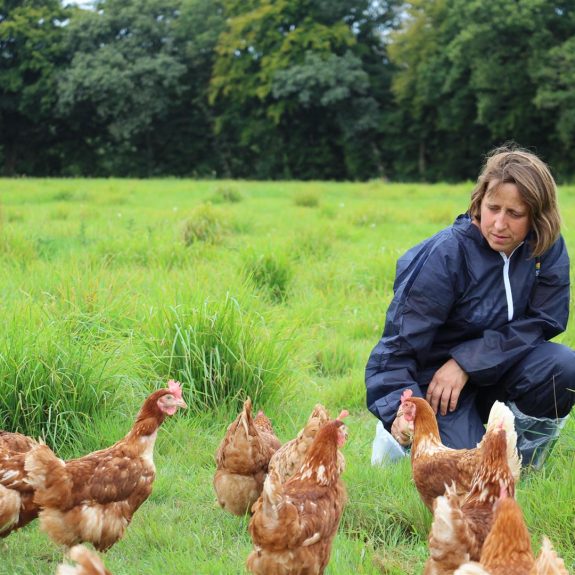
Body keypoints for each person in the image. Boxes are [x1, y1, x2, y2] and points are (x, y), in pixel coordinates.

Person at [366, 145, 575, 469]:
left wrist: (466, 362)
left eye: (515, 214)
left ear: (537, 215)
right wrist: (399, 408)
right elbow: (396, 350)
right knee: (467, 474)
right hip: (440, 389)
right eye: (492, 208)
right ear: (479, 202)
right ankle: (396, 442)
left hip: (500, 370)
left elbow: (544, 320)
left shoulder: (545, 248)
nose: (499, 224)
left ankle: (524, 467)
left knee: (564, 368)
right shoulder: (446, 255)